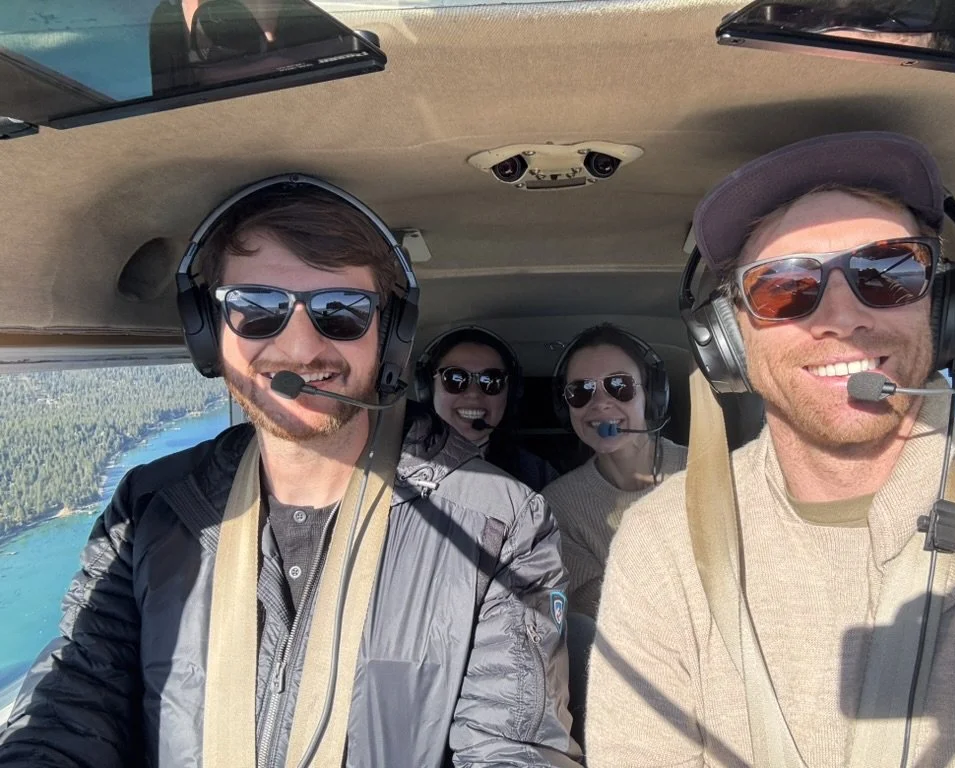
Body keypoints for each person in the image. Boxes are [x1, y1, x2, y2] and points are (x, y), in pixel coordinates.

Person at [0, 175, 582, 767]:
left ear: (391, 335)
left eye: (341, 311)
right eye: (255, 309)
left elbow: (515, 746)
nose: (301, 348)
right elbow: (72, 703)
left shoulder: (500, 522)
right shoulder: (147, 508)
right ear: (207, 332)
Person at [585, 132, 955, 767]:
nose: (842, 318)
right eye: (785, 287)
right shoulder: (664, 543)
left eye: (888, 270)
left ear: (946, 306)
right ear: (728, 340)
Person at [542, 323, 687, 621]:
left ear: (651, 394)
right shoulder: (558, 507)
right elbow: (601, 615)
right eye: (581, 392)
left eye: (619, 385)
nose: (601, 403)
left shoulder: (710, 471)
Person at [415, 325, 559, 492]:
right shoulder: (396, 465)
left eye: (491, 380)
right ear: (428, 389)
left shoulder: (539, 477)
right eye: (455, 378)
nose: (473, 393)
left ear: (510, 393)